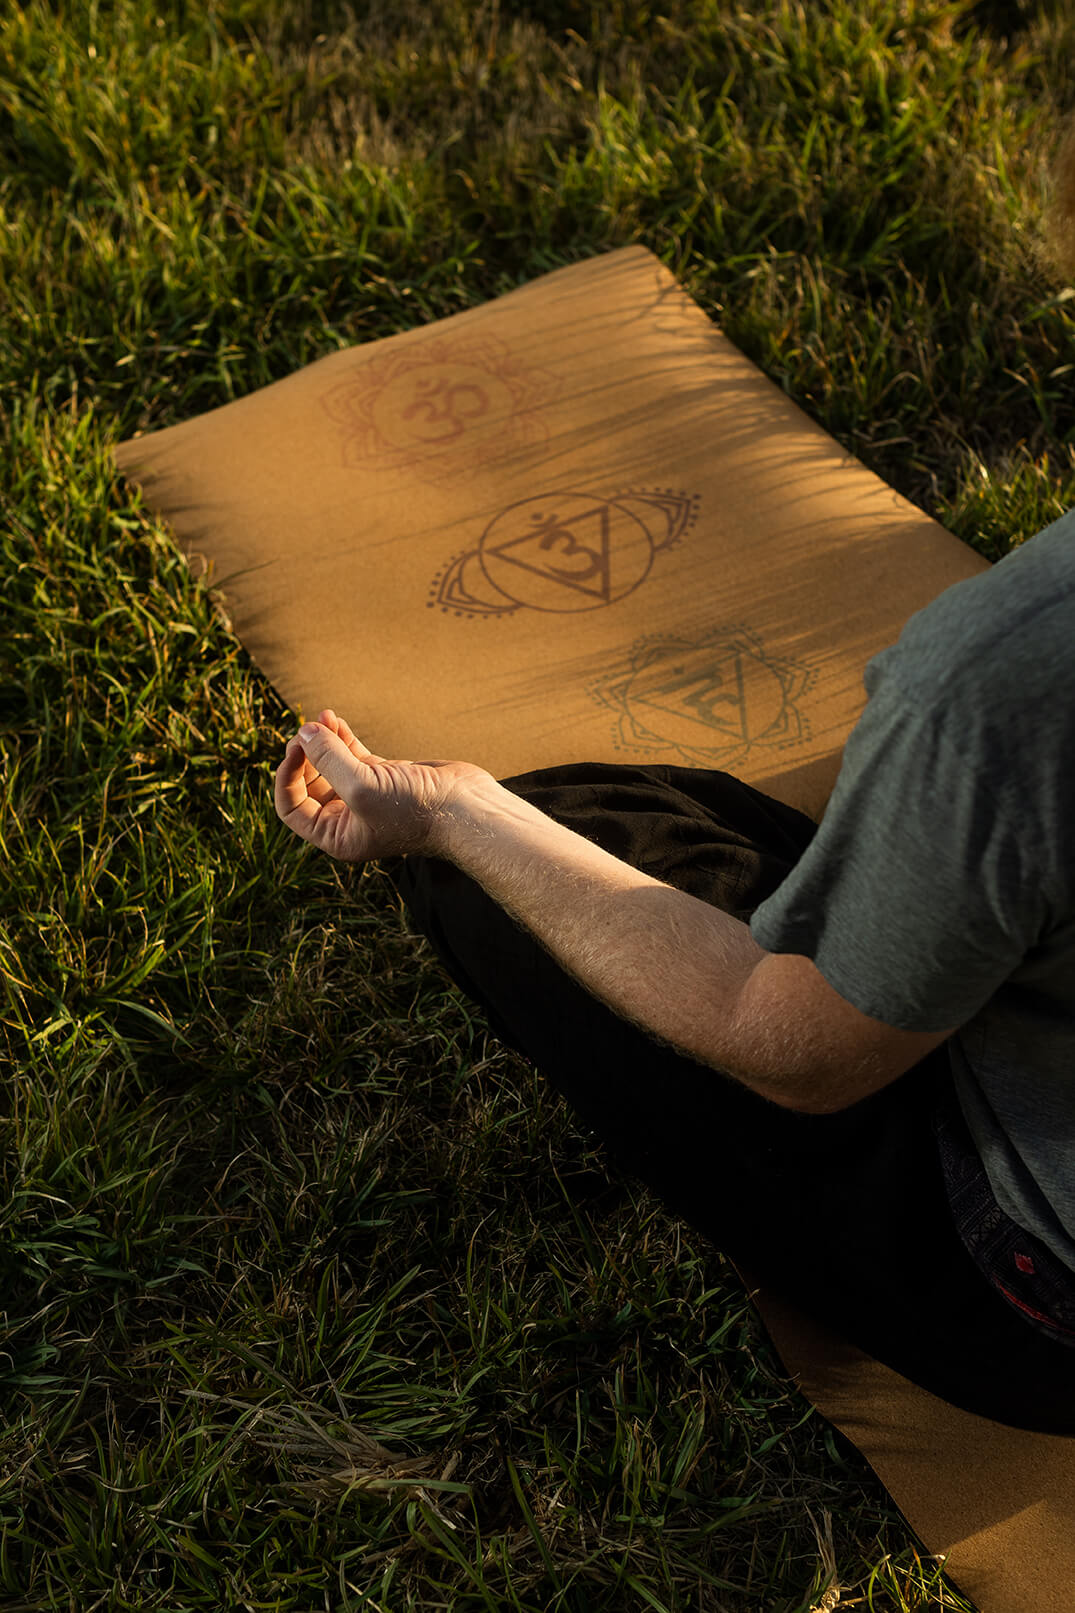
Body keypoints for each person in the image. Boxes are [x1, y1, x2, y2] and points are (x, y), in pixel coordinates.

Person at [273, 502, 1075, 1437]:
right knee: (699, 824)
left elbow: (789, 1047)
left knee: (535, 852)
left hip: (1032, 1299)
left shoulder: (1001, 690)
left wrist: (453, 812)